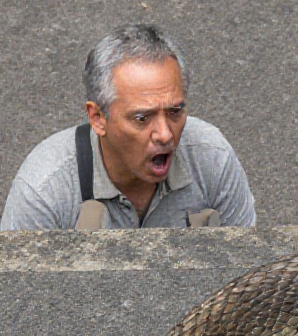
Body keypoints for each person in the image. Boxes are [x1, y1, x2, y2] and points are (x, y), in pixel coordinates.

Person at [1, 24, 255, 231]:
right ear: (98, 118)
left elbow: (250, 266)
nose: (165, 134)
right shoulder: (45, 190)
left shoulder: (212, 158)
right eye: (142, 118)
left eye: (174, 112)